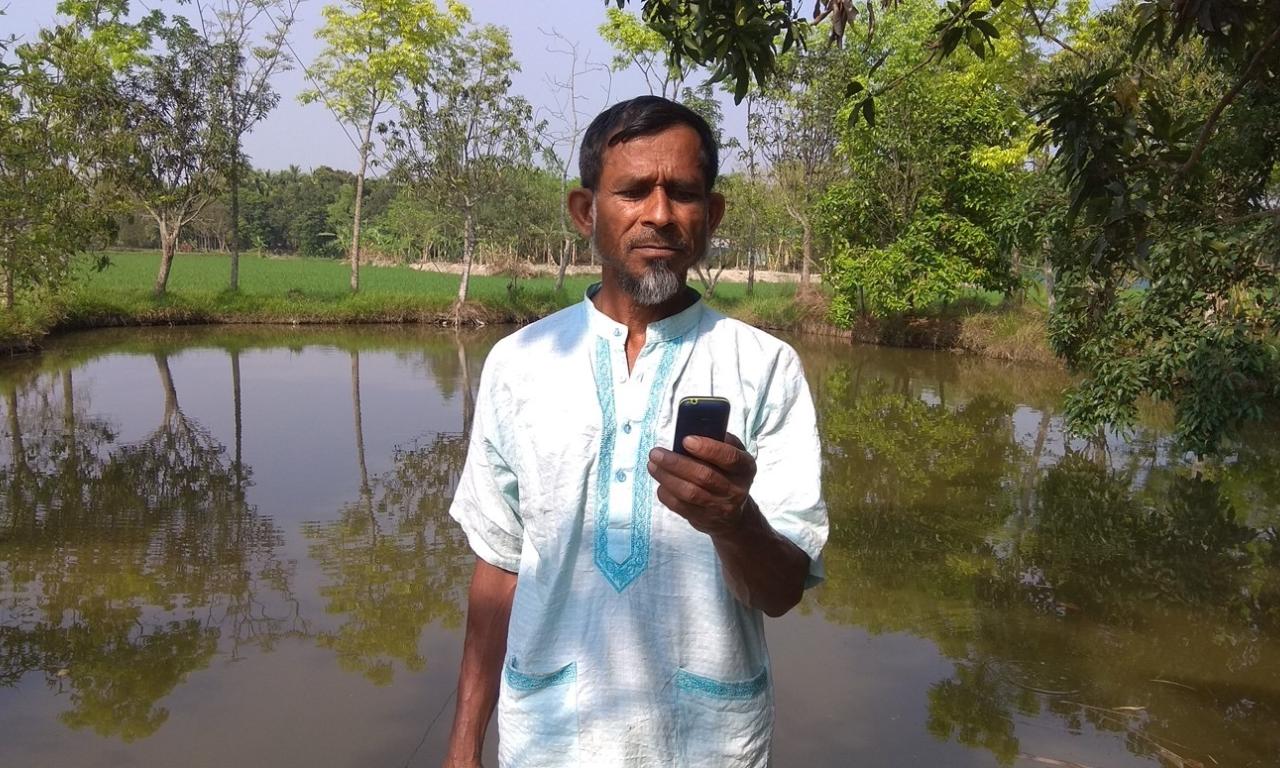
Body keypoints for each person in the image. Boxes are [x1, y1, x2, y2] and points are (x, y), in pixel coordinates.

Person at [443, 95, 828, 768]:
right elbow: (499, 567)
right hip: (550, 737)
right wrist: (462, 745)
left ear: (711, 217)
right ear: (585, 211)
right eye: (632, 191)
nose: (658, 214)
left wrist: (736, 522)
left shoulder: (768, 368)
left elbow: (782, 592)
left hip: (704, 742)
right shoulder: (519, 363)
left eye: (682, 194)